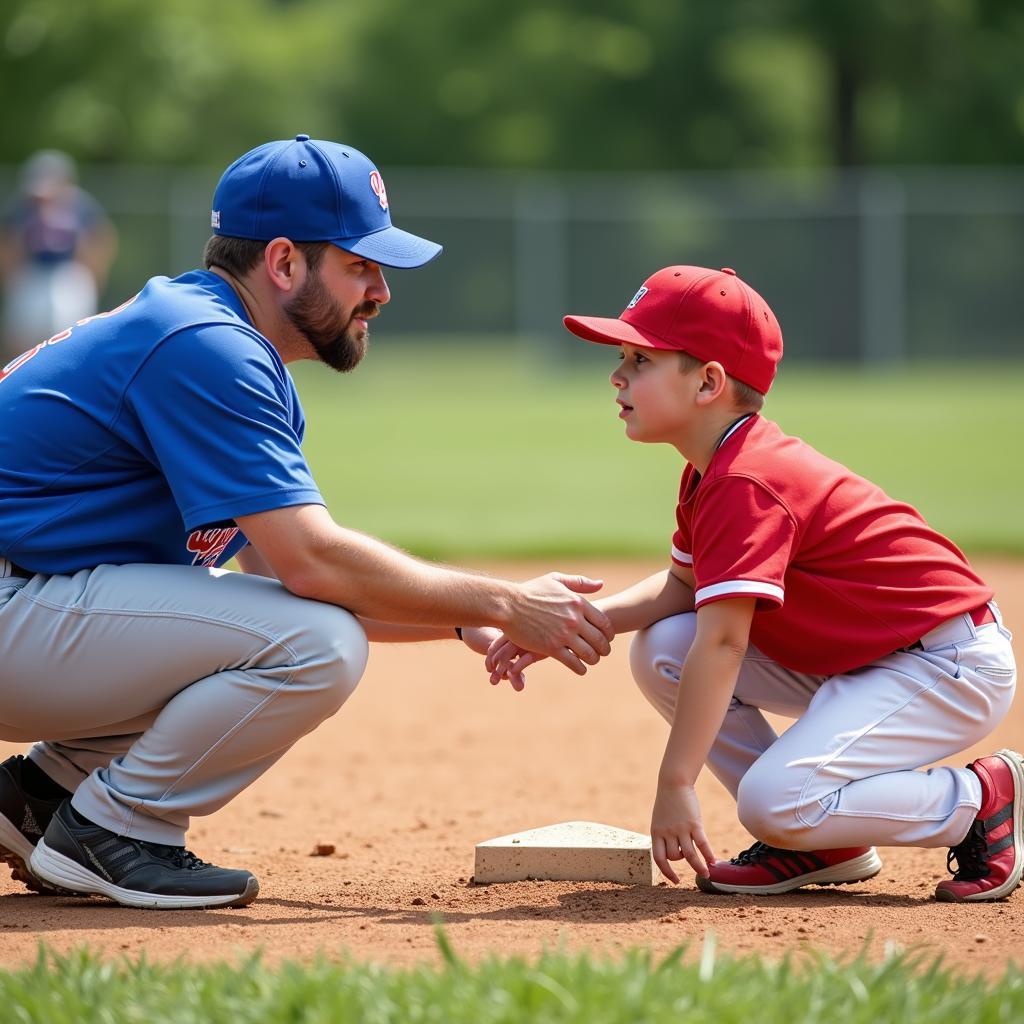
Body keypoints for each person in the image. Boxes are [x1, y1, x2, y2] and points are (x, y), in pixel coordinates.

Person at [0, 135, 613, 910]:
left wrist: (466, 625)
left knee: (285, 626)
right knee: (319, 646)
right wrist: (502, 601)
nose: (382, 291)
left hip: (25, 608)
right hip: (12, 610)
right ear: (285, 263)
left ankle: (42, 797)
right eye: (361, 265)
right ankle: (115, 830)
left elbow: (283, 582)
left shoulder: (208, 332)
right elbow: (313, 570)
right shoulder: (209, 347)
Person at [486, 264, 1021, 903]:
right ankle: (821, 844)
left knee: (773, 800)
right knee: (662, 648)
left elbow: (724, 644)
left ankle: (981, 799)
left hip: (945, 665)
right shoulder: (713, 469)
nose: (618, 374)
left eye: (641, 359)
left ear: (709, 380)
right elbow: (684, 590)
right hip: (876, 658)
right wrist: (568, 622)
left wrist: (674, 783)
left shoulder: (747, 480)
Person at [0, 150, 118, 363]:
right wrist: (11, 275)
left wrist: (95, 274)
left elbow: (102, 237)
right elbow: (8, 241)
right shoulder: (22, 207)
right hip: (32, 272)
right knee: (22, 334)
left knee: (71, 333)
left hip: (68, 272)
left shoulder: (80, 205)